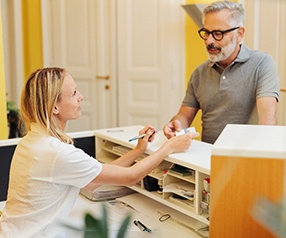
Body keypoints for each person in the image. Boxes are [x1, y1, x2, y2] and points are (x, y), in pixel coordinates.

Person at [0, 67, 199, 237]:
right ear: (54, 108)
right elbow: (131, 177)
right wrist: (169, 147)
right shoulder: (57, 153)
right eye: (74, 93)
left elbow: (95, 177)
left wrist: (138, 151)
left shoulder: (33, 142)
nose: (81, 97)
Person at [163, 1, 279, 144]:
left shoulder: (262, 64)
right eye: (206, 33)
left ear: (239, 34)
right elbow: (184, 116)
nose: (209, 41)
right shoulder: (199, 73)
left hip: (246, 158)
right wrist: (176, 125)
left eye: (218, 33)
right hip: (207, 157)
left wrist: (263, 157)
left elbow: (267, 116)